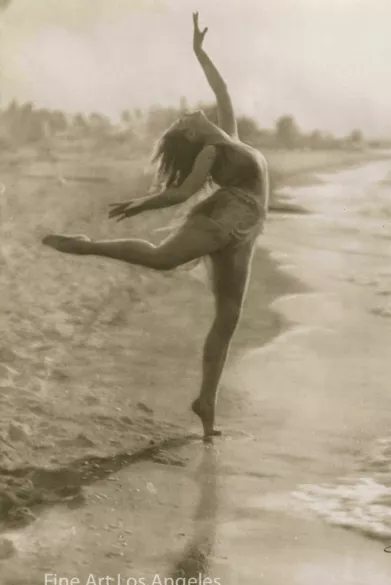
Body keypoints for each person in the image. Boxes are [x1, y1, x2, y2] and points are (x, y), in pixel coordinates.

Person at [42, 12, 269, 441]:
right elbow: (182, 194)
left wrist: (199, 53)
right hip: (226, 219)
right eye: (182, 122)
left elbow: (222, 89)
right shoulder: (209, 152)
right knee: (163, 259)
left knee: (229, 317)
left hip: (247, 228)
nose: (184, 114)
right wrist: (143, 203)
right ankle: (89, 245)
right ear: (191, 137)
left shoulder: (226, 135)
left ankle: (207, 403)